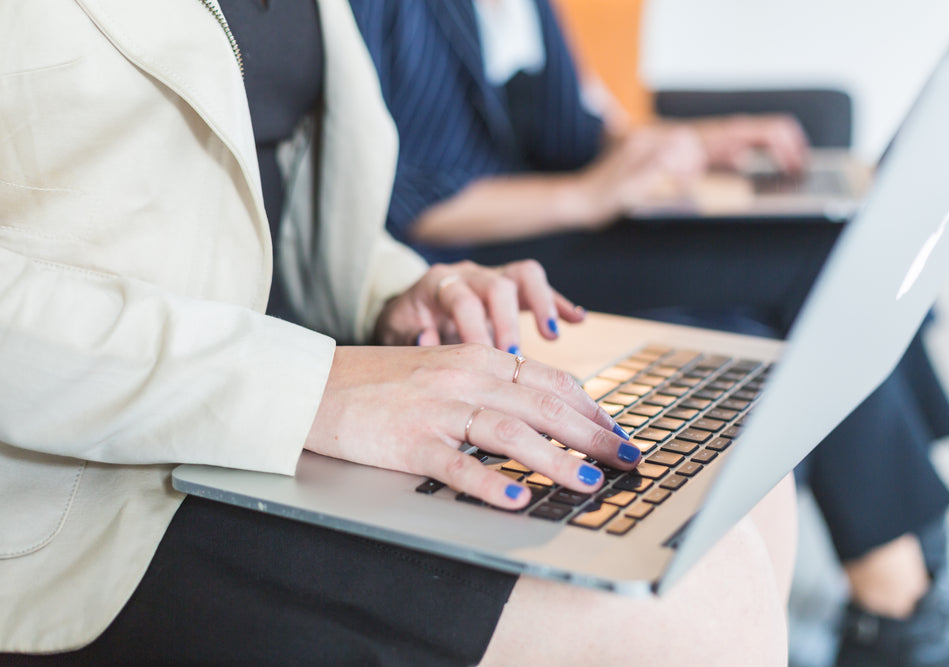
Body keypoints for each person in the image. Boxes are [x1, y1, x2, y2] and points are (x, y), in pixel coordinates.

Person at [0, 1, 798, 664]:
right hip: (86, 484)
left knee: (739, 476)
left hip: (295, 391)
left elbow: (276, 183)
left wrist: (403, 290)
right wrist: (311, 389)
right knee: (689, 611)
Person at [345, 1, 949, 665]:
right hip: (493, 257)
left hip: (572, 219)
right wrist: (590, 196)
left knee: (841, 245)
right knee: (824, 273)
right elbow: (400, 204)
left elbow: (579, 130)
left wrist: (698, 143)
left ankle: (908, 589)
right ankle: (900, 609)